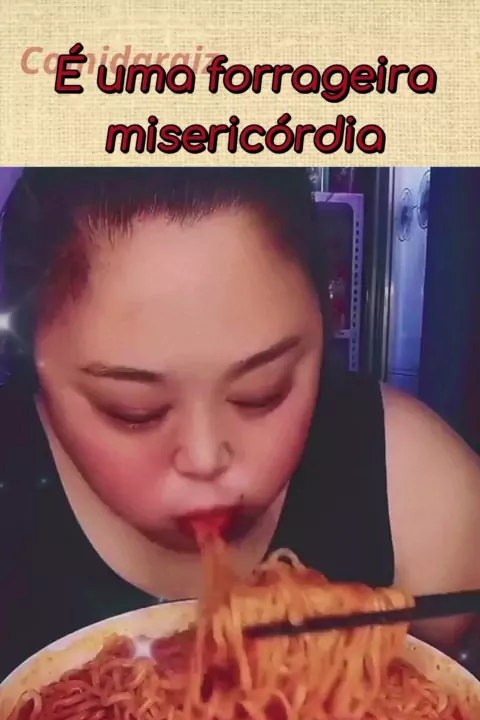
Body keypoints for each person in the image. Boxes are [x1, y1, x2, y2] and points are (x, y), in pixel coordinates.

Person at [0, 167, 479, 683]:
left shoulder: (422, 497)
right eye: (133, 409)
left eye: (263, 391)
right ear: (33, 365)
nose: (205, 457)